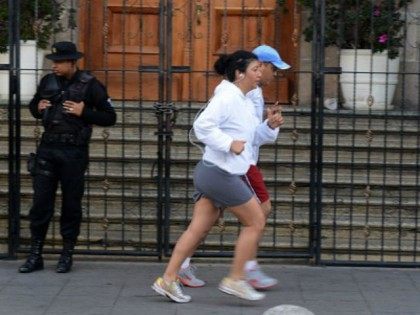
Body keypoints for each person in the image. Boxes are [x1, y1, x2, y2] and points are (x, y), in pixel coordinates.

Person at [151, 50, 283, 303]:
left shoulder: (243, 99)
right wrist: (228, 143)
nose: (260, 74)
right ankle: (235, 279)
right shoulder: (228, 97)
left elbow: (250, 138)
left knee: (197, 230)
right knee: (255, 221)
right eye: (255, 69)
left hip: (212, 172)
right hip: (220, 173)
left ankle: (167, 280)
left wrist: (269, 127)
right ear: (239, 73)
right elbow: (201, 126)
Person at [18, 41, 117, 274]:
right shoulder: (47, 82)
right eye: (54, 62)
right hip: (48, 149)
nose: (55, 66)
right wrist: (38, 107)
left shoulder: (90, 85)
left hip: (74, 152)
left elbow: (110, 117)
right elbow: (34, 106)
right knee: (41, 204)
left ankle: (66, 254)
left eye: (60, 62)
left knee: (71, 205)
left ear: (73, 63)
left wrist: (85, 112)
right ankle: (36, 254)